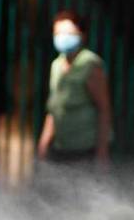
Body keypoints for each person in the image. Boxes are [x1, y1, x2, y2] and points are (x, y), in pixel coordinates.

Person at [37, 10, 113, 169]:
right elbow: (54, 109)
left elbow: (104, 109)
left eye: (69, 32)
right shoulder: (56, 65)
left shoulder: (90, 65)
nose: (63, 37)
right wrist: (43, 145)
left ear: (82, 35)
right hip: (61, 149)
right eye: (58, 33)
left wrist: (102, 152)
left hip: (85, 151)